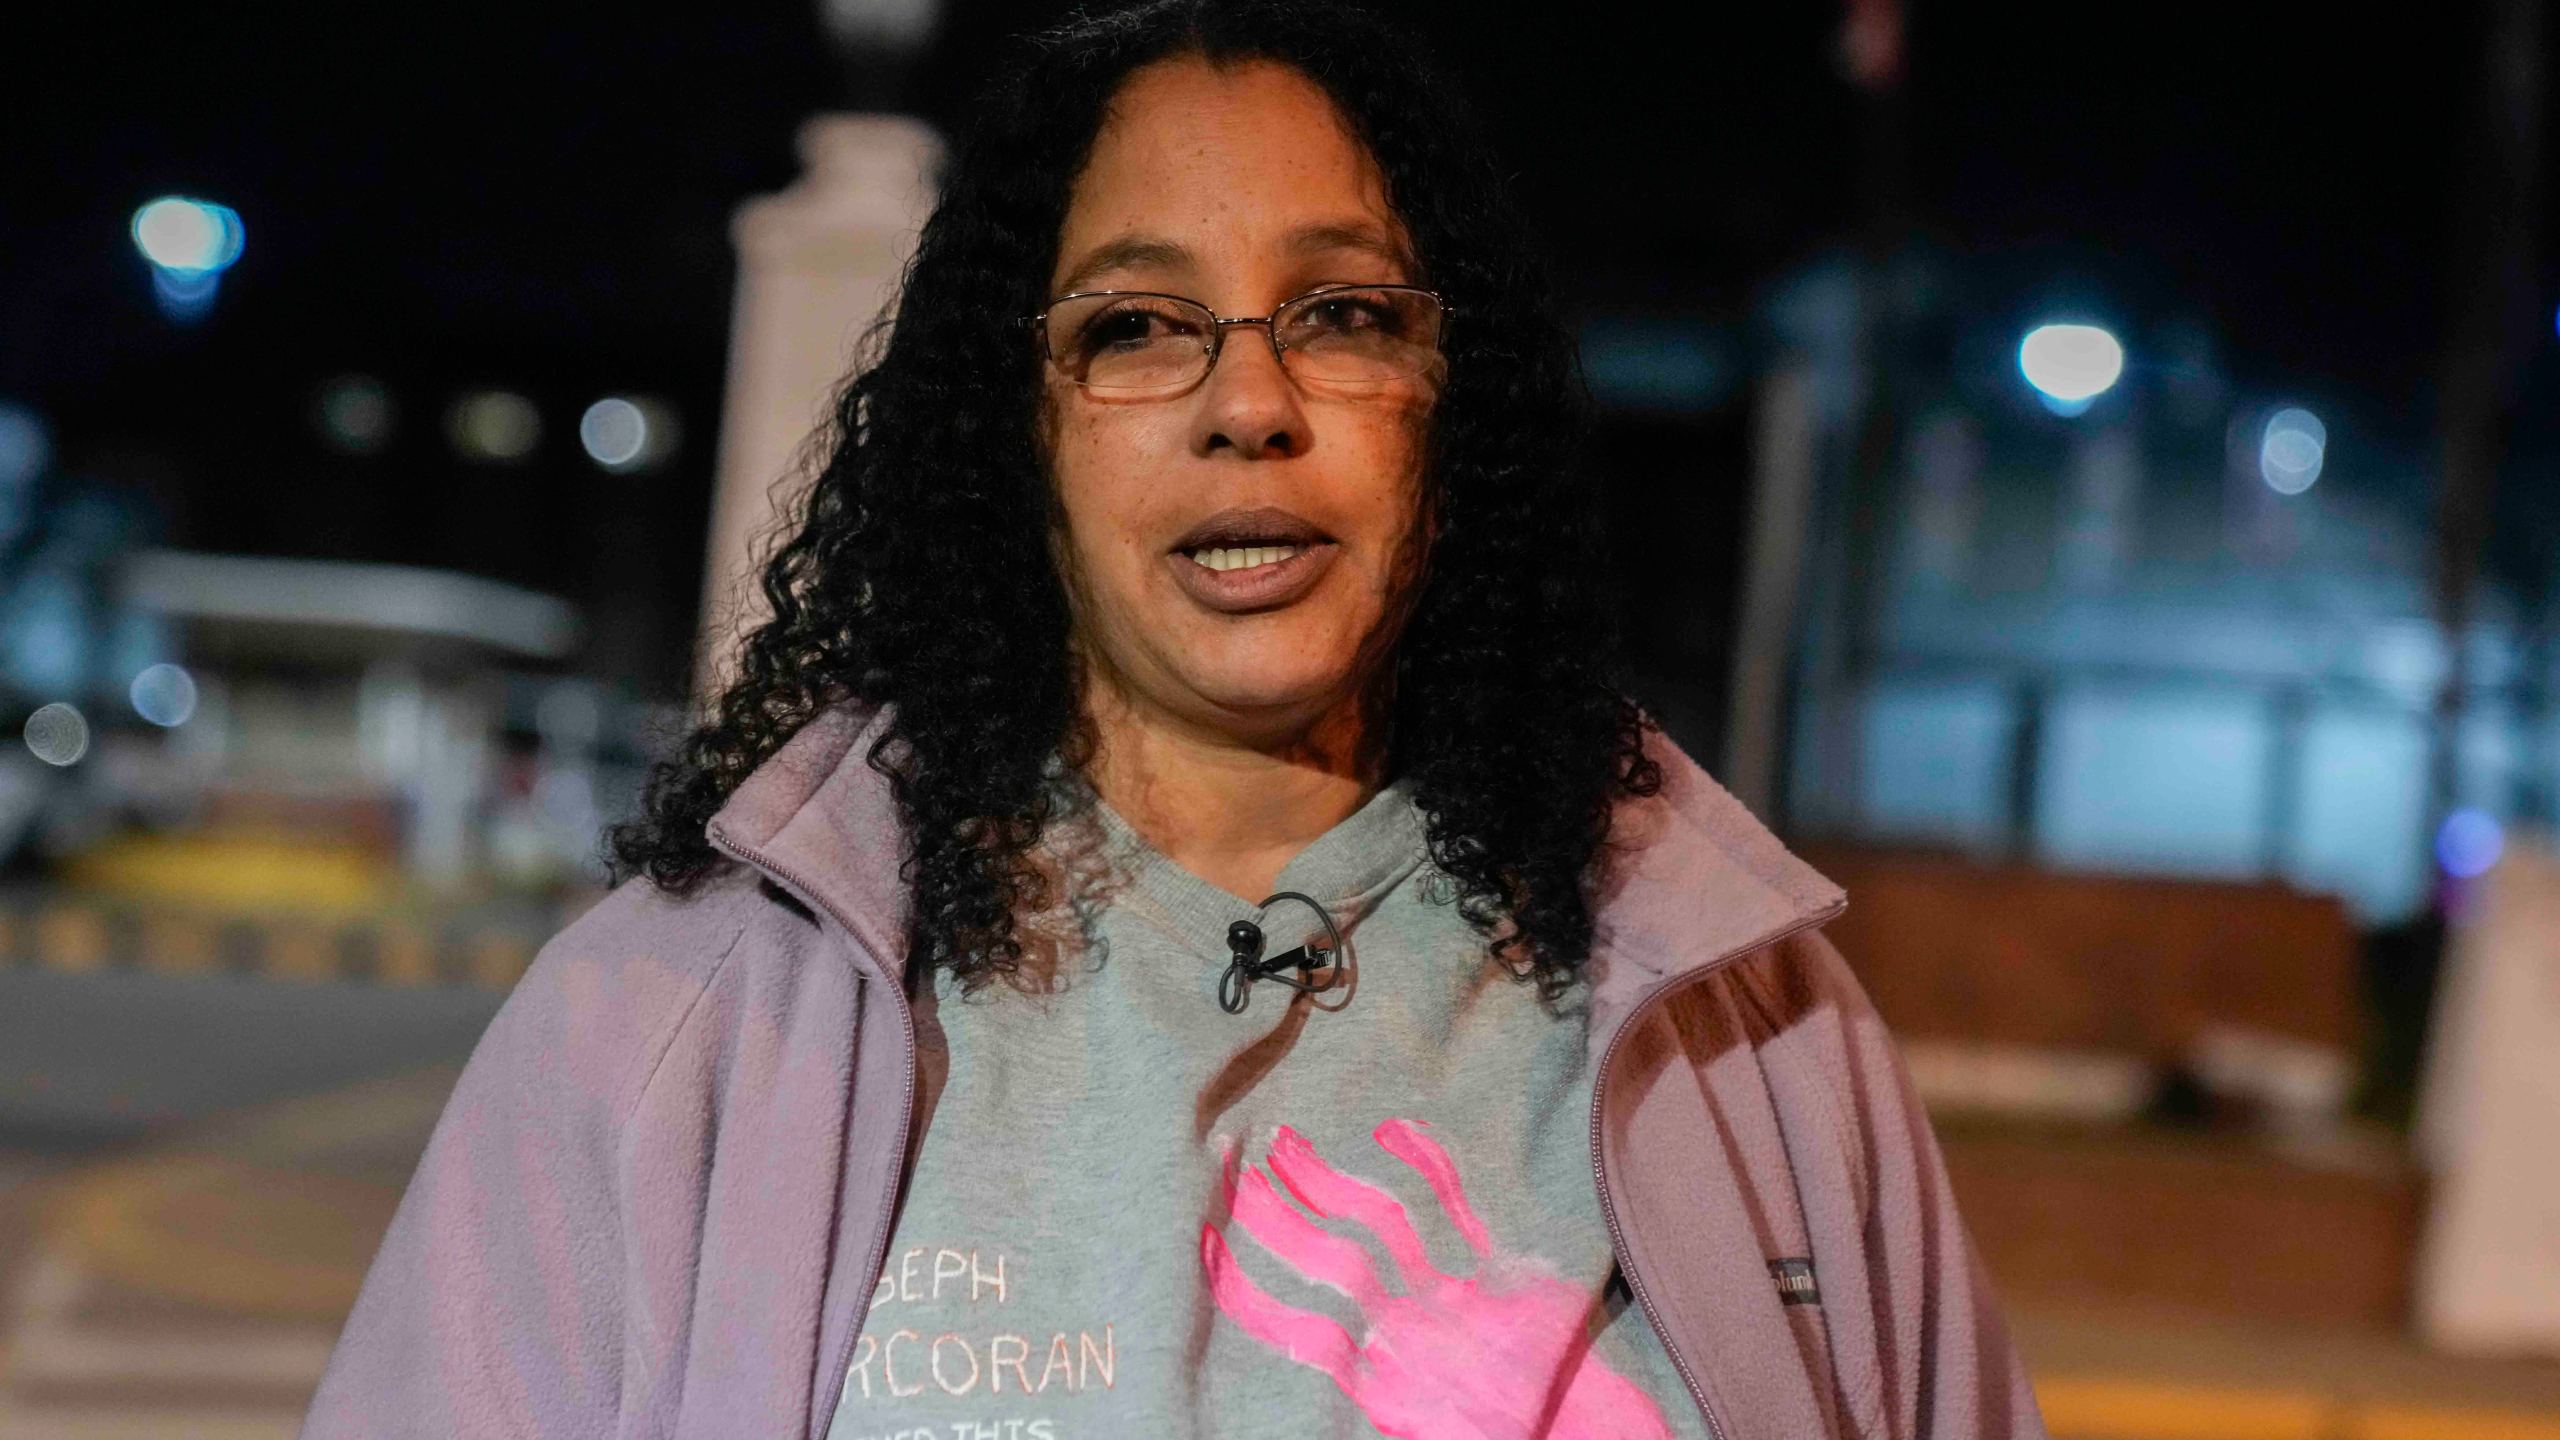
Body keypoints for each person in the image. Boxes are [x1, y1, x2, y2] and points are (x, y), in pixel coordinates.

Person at [302, 1, 2046, 1436]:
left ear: (1456, 412)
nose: (1250, 403)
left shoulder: (1746, 1028)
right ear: (1023, 433)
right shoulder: (675, 1021)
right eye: (1136, 326)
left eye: (1344, 314)